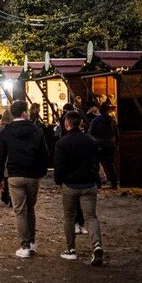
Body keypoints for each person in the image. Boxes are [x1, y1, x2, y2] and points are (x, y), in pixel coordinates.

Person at [0, 100, 49, 259]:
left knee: (20, 211)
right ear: (25, 112)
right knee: (30, 208)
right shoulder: (36, 130)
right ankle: (31, 242)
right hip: (33, 174)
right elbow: (44, 154)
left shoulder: (6, 131)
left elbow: (1, 156)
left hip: (15, 174)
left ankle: (24, 245)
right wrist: (41, 171)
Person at [55, 110, 105, 266]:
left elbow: (59, 166)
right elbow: (96, 163)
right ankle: (96, 245)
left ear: (67, 124)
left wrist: (59, 181)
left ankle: (71, 250)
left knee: (69, 217)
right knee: (91, 217)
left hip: (70, 185)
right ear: (81, 124)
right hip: (89, 184)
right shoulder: (91, 141)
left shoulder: (62, 143)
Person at [89, 102, 119, 189]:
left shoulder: (95, 121)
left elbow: (90, 133)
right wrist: (116, 144)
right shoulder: (112, 121)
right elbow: (116, 134)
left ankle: (98, 185)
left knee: (96, 165)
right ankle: (114, 184)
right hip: (110, 144)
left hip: (98, 144)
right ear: (108, 110)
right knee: (110, 164)